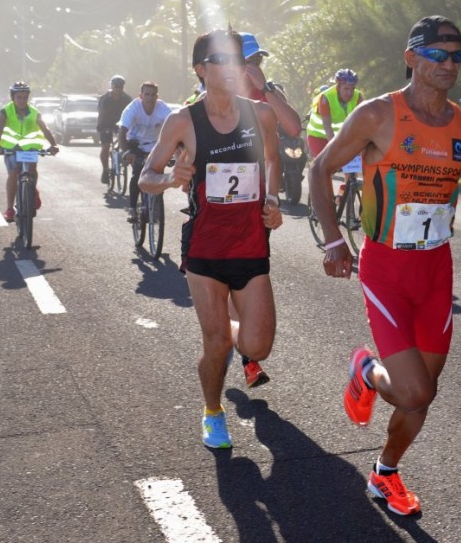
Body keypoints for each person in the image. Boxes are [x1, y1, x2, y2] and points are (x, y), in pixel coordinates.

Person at [308, 15, 461, 516]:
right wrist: (334, 241)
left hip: (435, 269)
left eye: (458, 56)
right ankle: (367, 368)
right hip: (385, 265)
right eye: (438, 55)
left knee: (421, 396)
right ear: (411, 58)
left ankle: (384, 472)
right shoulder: (378, 115)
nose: (450, 65)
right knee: (414, 388)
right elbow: (319, 169)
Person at [138, 29, 283, 449]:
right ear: (201, 70)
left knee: (259, 345)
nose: (232, 67)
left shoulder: (261, 115)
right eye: (221, 60)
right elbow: (146, 177)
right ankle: (213, 412)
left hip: (252, 245)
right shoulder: (183, 121)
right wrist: (169, 179)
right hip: (205, 248)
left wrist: (271, 200)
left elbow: (272, 161)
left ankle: (231, 328)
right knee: (217, 342)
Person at [228, 31, 303, 389]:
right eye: (250, 61)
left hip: (257, 204)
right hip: (221, 207)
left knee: (249, 278)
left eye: (259, 60)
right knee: (227, 281)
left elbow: (293, 127)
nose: (257, 67)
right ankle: (240, 349)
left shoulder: (268, 93)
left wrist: (267, 89)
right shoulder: (215, 94)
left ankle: (246, 354)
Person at [0, 82, 60, 222]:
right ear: (13, 97)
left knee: (32, 169)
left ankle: (32, 192)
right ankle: (10, 209)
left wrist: (53, 145)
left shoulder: (34, 112)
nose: (22, 101)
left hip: (30, 148)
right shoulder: (5, 111)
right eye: (19, 97)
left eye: (25, 97)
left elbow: (45, 130)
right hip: (11, 148)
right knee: (14, 171)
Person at [119, 81, 174, 222]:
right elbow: (122, 132)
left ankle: (156, 205)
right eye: (147, 94)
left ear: (157, 96)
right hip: (135, 143)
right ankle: (132, 209)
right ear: (141, 95)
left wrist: (174, 152)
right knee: (137, 174)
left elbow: (175, 129)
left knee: (158, 176)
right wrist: (126, 152)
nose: (150, 97)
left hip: (155, 145)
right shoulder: (133, 108)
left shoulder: (162, 108)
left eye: (153, 94)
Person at [305, 68, 363, 158]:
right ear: (338, 87)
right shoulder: (326, 98)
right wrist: (336, 149)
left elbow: (361, 124)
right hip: (318, 136)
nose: (350, 93)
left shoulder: (358, 96)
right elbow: (327, 127)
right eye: (346, 89)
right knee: (325, 167)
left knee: (351, 165)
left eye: (352, 88)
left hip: (342, 136)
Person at [97, 75, 133, 184]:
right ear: (112, 86)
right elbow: (101, 113)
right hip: (106, 124)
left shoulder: (127, 99)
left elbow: (132, 114)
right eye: (116, 87)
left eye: (120, 87)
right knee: (106, 146)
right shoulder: (105, 98)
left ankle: (122, 157)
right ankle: (105, 170)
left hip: (121, 124)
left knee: (125, 143)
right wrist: (100, 127)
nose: (118, 89)